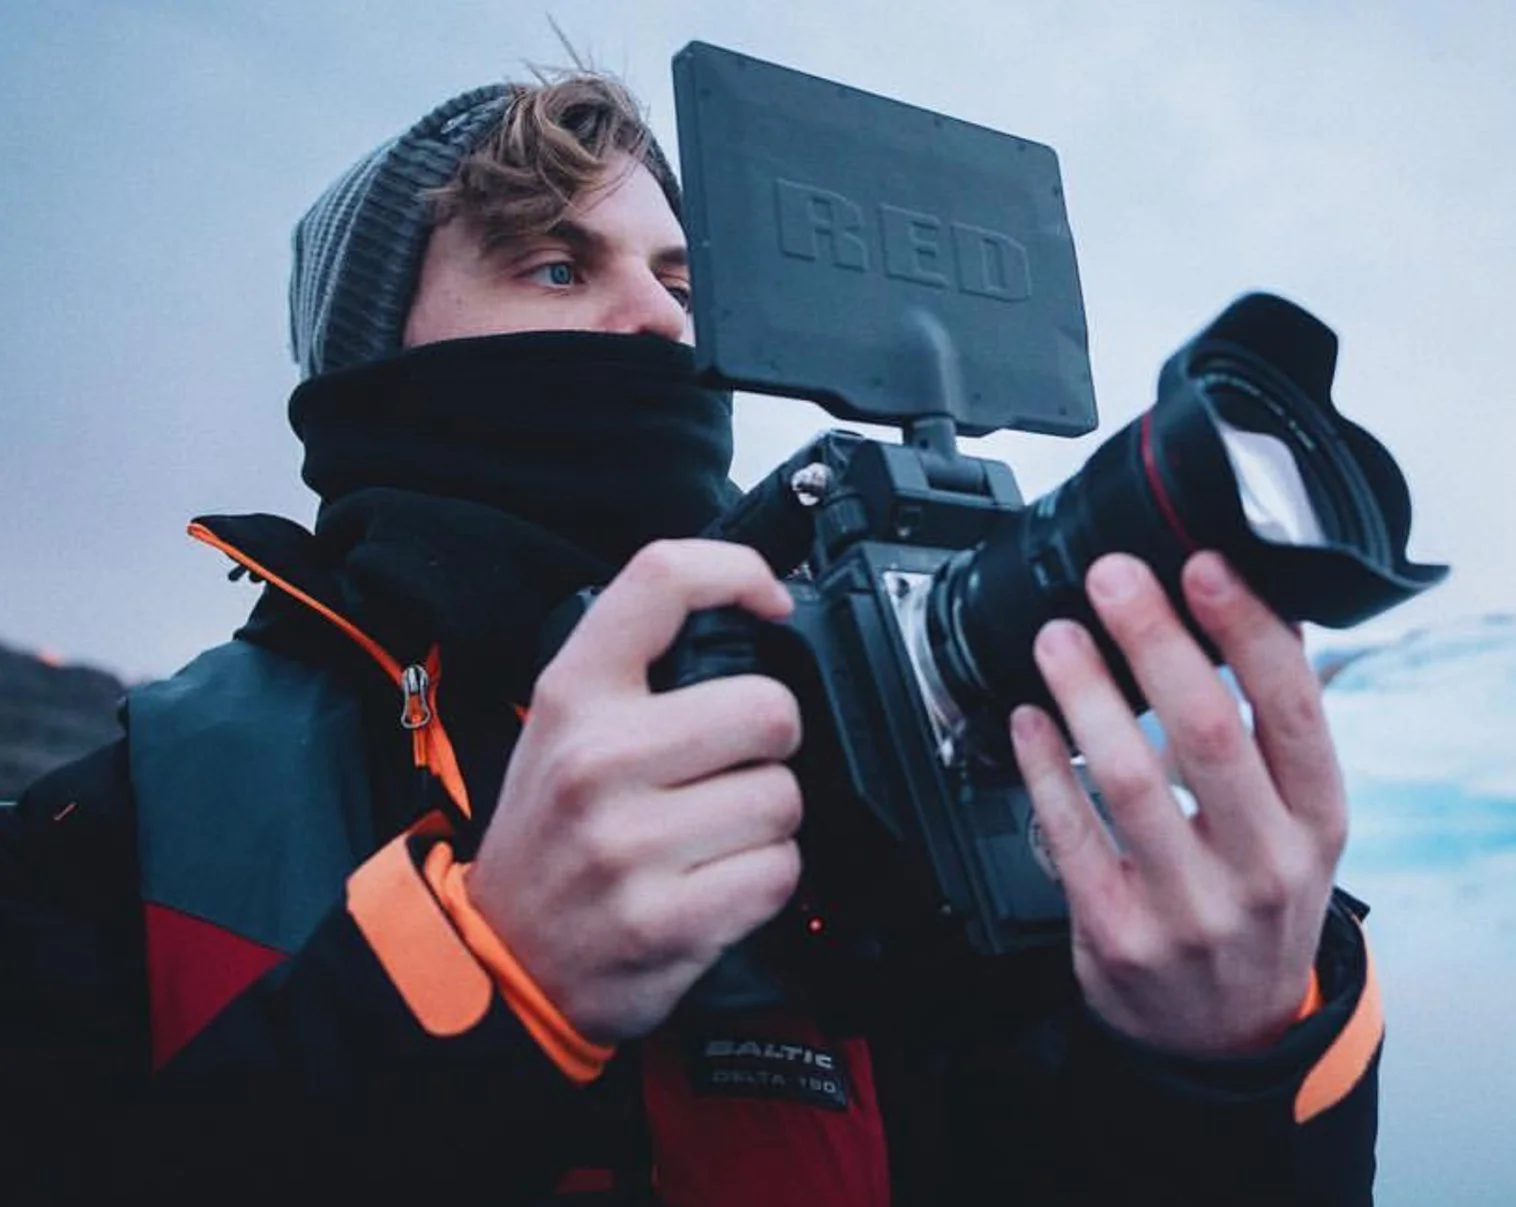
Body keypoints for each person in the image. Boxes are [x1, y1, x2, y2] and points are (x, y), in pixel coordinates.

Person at [0, 68, 1380, 1205]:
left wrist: (1234, 1073)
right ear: (373, 369)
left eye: (682, 278)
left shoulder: (882, 793)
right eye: (554, 264)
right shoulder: (115, 830)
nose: (661, 321)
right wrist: (482, 981)